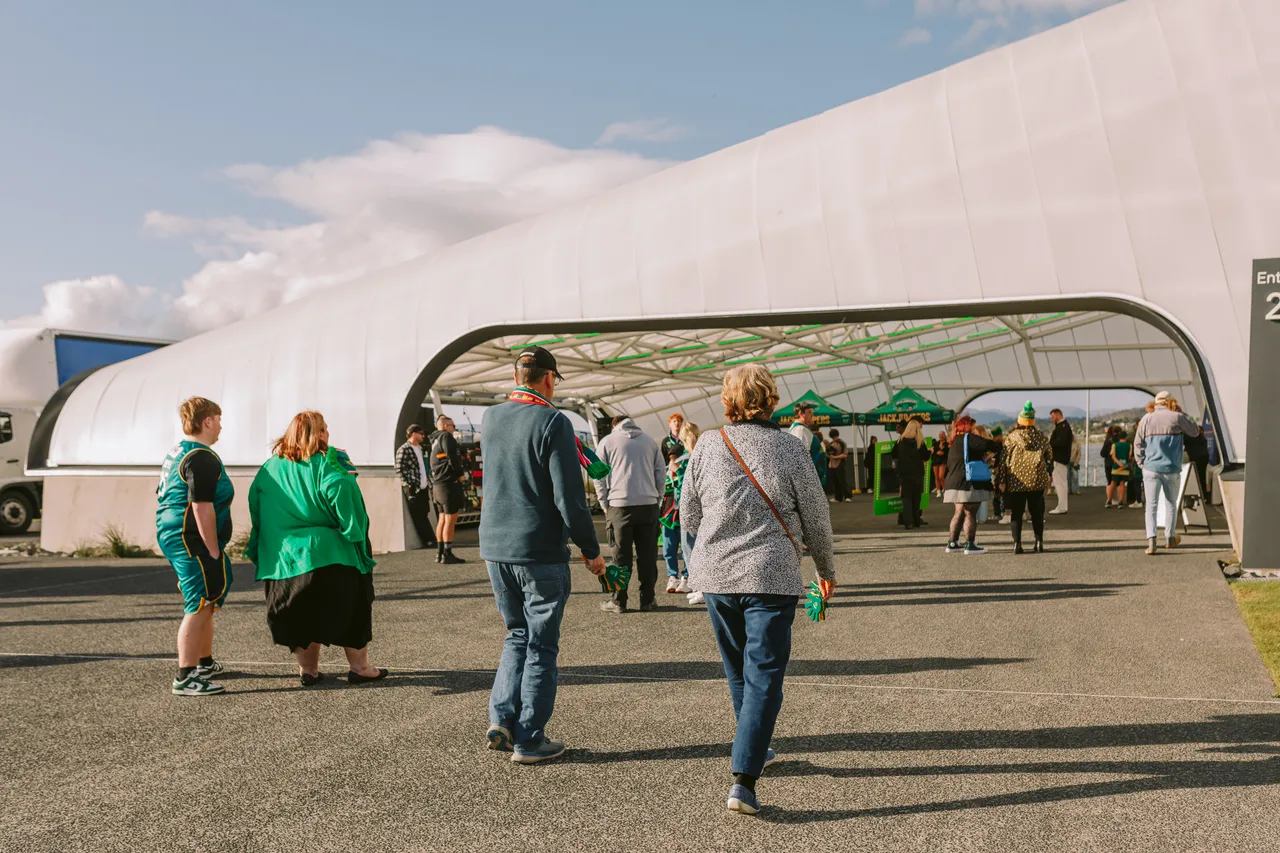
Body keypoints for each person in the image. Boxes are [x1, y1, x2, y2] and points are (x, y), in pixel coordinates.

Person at [679, 364, 835, 815]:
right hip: (770, 575)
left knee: (738, 669)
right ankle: (744, 780)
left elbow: (688, 516)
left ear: (728, 401)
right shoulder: (790, 448)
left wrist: (714, 540)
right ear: (771, 400)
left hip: (716, 577)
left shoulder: (707, 444)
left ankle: (755, 748)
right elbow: (817, 519)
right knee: (765, 674)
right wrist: (826, 570)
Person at [479, 346, 606, 764]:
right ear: (549, 379)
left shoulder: (490, 417)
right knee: (542, 645)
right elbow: (569, 498)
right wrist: (591, 550)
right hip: (539, 549)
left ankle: (501, 717)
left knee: (516, 634)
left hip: (495, 547)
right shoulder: (554, 421)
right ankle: (529, 738)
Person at [246, 411, 384, 687]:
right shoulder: (329, 461)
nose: (328, 434)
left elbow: (256, 507)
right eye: (325, 429)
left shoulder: (269, 468)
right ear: (319, 434)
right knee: (350, 610)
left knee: (300, 615)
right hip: (331, 552)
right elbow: (342, 489)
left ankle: (308, 670)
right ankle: (360, 668)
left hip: (284, 558)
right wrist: (353, 532)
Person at [157, 397, 236, 696]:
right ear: (206, 422)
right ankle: (186, 676)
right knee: (200, 600)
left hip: (175, 532)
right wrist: (213, 549)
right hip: (190, 536)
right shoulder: (202, 457)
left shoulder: (179, 451)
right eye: (218, 419)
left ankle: (203, 662)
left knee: (209, 598)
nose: (220, 426)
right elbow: (201, 505)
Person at [596, 413, 665, 613]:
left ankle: (619, 601)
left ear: (613, 426)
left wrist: (604, 502)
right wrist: (657, 498)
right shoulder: (650, 441)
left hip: (619, 505)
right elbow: (661, 472)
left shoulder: (607, 441)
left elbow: (598, 475)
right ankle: (648, 600)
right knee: (648, 555)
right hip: (648, 504)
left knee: (620, 556)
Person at [1135, 391, 1200, 556]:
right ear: (1171, 401)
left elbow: (1138, 444)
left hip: (1150, 468)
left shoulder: (1146, 419)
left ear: (1155, 403)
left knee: (1151, 505)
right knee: (1171, 504)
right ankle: (1170, 539)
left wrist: (1141, 463)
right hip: (1171, 469)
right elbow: (1195, 431)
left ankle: (1151, 543)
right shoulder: (1177, 417)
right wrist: (1184, 414)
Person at [1000, 402, 1052, 554]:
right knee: (1037, 512)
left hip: (1016, 481)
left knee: (1017, 513)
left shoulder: (1011, 438)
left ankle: (1017, 544)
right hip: (1037, 480)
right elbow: (1049, 456)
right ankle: (1039, 542)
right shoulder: (1041, 437)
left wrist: (1002, 480)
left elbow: (1004, 460)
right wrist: (1047, 472)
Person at [943, 415, 999, 555]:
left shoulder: (955, 442)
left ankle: (952, 542)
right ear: (967, 426)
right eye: (973, 426)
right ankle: (970, 544)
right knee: (970, 511)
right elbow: (989, 445)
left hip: (953, 481)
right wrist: (998, 444)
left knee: (959, 511)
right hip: (967, 481)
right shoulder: (968, 438)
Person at [428, 415, 467, 564]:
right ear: (445, 426)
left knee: (443, 519)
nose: (454, 428)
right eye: (452, 425)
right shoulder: (446, 437)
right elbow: (453, 458)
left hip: (437, 485)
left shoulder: (434, 440)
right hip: (449, 484)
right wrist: (460, 474)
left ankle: (440, 552)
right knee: (450, 520)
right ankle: (448, 553)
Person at [394, 423, 438, 550]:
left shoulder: (419, 448)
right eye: (421, 433)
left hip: (423, 486)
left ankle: (430, 539)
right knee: (418, 515)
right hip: (414, 488)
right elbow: (399, 468)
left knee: (424, 512)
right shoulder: (404, 449)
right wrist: (409, 483)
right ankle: (429, 540)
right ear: (413, 434)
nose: (423, 436)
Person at [891, 419, 929, 529]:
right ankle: (916, 520)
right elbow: (925, 456)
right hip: (917, 473)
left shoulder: (900, 441)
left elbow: (894, 454)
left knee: (906, 498)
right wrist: (930, 451)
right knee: (916, 497)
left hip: (904, 473)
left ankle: (908, 523)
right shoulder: (920, 442)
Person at [661, 444, 686, 593]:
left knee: (686, 549)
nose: (673, 463)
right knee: (668, 549)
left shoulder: (684, 471)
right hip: (668, 518)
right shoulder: (666, 473)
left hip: (683, 516)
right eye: (671, 459)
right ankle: (672, 576)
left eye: (676, 459)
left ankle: (686, 577)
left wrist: (679, 472)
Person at [787, 402, 827, 489]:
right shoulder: (800, 429)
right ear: (801, 413)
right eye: (809, 412)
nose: (812, 415)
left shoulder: (800, 428)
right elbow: (801, 456)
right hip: (807, 481)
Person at [1048, 409, 1073, 514]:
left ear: (1058, 415)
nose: (1052, 419)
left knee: (1060, 483)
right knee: (1062, 483)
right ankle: (1062, 505)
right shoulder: (1063, 427)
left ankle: (1062, 507)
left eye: (1053, 417)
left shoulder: (1062, 428)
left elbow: (1061, 442)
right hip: (1062, 458)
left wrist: (1051, 442)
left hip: (1060, 458)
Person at [1108, 429, 1133, 508]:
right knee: (1122, 484)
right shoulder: (1129, 445)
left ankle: (1109, 500)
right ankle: (1121, 501)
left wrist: (1119, 463)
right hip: (1125, 468)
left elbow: (1113, 456)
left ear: (1118, 437)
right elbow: (1129, 457)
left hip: (1116, 468)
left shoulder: (1114, 445)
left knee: (1113, 483)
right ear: (1126, 437)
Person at [826, 428, 850, 502]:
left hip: (840, 464)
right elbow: (828, 454)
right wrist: (829, 455)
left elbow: (845, 455)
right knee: (836, 482)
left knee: (842, 481)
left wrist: (834, 457)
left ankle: (847, 496)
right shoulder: (830, 444)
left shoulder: (842, 443)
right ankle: (838, 497)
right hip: (832, 465)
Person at [1099, 425, 1120, 506]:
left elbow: (1102, 453)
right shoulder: (1120, 440)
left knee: (1109, 481)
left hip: (1108, 463)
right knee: (1118, 482)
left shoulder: (1108, 441)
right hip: (1118, 464)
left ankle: (1110, 499)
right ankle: (1119, 499)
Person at [931, 430, 949, 498]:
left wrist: (943, 453)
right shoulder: (935, 443)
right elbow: (933, 451)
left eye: (942, 434)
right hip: (935, 461)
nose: (941, 436)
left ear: (945, 436)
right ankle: (938, 491)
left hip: (943, 461)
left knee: (941, 476)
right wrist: (934, 452)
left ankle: (944, 489)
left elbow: (947, 452)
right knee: (936, 477)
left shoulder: (947, 444)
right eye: (940, 434)